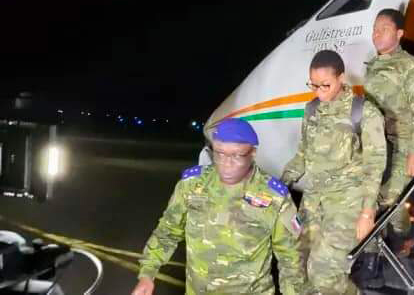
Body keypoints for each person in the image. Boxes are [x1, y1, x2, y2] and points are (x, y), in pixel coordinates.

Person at [131, 118, 306, 295]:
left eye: (236, 155)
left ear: (253, 153)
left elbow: (291, 257)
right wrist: (147, 274)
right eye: (219, 153)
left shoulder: (274, 196)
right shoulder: (192, 185)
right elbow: (167, 231)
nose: (226, 163)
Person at [282, 50, 387, 294]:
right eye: (313, 85)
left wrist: (367, 213)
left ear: (341, 78)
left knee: (324, 274)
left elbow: (375, 165)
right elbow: (302, 155)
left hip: (347, 206)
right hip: (312, 204)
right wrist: (279, 184)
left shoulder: (364, 112)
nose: (319, 91)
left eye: (325, 85)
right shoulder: (311, 111)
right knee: (295, 266)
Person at [359, 8, 414, 286]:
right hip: (376, 146)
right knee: (370, 200)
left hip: (402, 145)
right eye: (375, 29)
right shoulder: (372, 65)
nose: (377, 34)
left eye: (384, 29)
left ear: (399, 34)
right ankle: (371, 258)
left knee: (391, 202)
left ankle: (403, 236)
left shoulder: (411, 66)